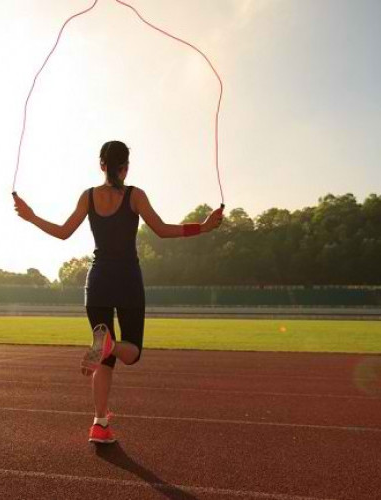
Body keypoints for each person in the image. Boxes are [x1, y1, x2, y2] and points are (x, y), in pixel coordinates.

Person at [13, 140, 223, 444]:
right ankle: (109, 347)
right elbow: (163, 230)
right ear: (125, 167)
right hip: (127, 281)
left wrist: (31, 216)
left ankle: (99, 423)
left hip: (96, 283)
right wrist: (202, 228)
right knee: (132, 352)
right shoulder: (135, 195)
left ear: (102, 165)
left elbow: (62, 232)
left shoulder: (88, 197)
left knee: (104, 358)